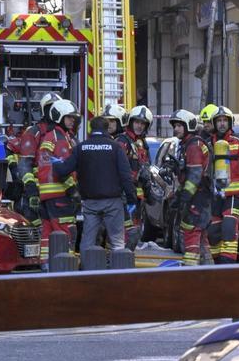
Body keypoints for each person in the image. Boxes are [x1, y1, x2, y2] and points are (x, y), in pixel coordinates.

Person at [53, 116, 137, 253]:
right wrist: (131, 199)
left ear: (91, 128)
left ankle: (88, 271)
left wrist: (55, 163)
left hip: (90, 202)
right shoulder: (115, 148)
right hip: (113, 202)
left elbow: (63, 170)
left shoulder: (81, 147)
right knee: (117, 242)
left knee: (88, 242)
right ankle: (118, 272)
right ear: (106, 129)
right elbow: (126, 176)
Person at [208, 106, 239, 264]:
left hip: (234, 195)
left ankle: (227, 267)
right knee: (213, 233)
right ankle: (216, 265)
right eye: (219, 121)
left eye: (225, 120)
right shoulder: (208, 143)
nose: (222, 124)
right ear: (214, 123)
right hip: (214, 195)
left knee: (229, 229)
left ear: (230, 123)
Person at [36, 99, 81, 260]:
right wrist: (73, 190)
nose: (72, 121)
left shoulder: (49, 136)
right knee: (67, 231)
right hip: (60, 195)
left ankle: (46, 266)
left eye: (73, 118)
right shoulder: (60, 138)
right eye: (69, 117)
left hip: (47, 197)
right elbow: (63, 168)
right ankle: (66, 268)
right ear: (59, 117)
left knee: (48, 234)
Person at [106, 103, 154, 250]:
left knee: (134, 234)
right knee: (124, 234)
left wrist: (148, 191)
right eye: (137, 122)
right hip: (124, 197)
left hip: (136, 198)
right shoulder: (122, 141)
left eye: (143, 123)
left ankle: (122, 263)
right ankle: (114, 265)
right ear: (130, 122)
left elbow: (145, 169)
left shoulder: (141, 144)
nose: (139, 126)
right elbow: (115, 168)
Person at [170, 109, 213, 266]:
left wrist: (185, 196)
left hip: (198, 198)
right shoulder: (189, 144)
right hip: (202, 197)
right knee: (202, 239)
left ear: (189, 125)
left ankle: (190, 271)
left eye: (179, 126)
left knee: (191, 233)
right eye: (175, 125)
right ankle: (210, 274)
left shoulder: (194, 145)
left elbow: (194, 175)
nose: (176, 129)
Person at [15, 92, 61, 227]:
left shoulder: (64, 133)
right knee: (38, 229)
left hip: (60, 191)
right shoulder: (33, 132)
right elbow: (24, 165)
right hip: (37, 190)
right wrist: (31, 189)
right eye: (50, 108)